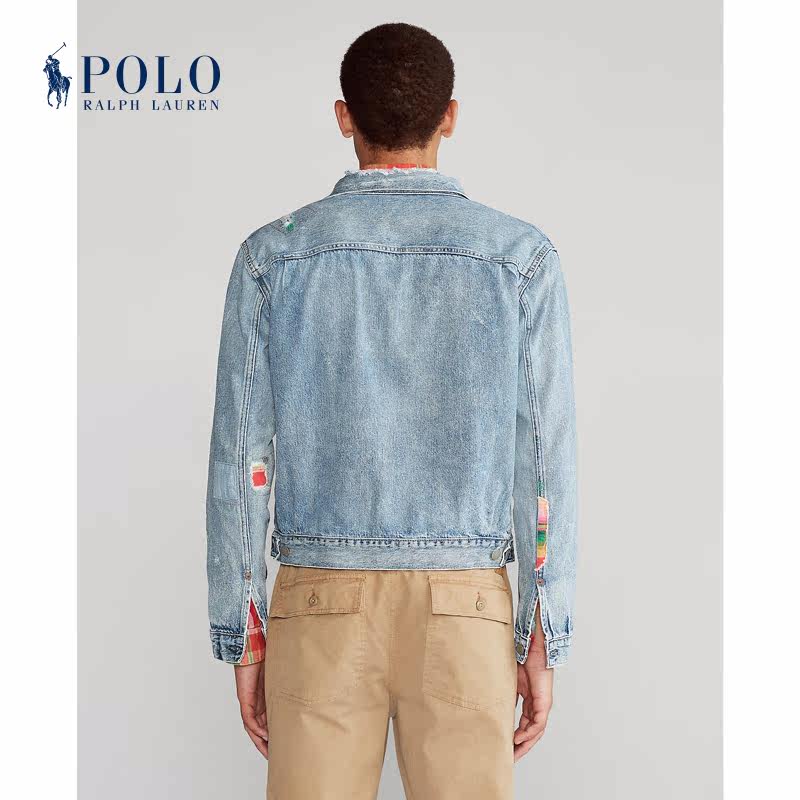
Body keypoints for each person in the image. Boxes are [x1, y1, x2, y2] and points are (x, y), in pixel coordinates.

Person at [206, 22, 577, 799]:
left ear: (345, 117)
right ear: (450, 116)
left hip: (320, 605)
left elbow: (241, 457)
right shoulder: (520, 258)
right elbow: (542, 459)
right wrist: (542, 629)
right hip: (466, 608)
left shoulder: (273, 256)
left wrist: (244, 632)